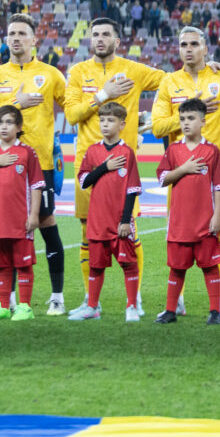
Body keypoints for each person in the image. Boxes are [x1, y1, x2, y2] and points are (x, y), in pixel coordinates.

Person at [65, 18, 168, 315]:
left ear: (117, 40)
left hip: (123, 166)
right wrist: (102, 95)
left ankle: (134, 300)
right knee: (88, 234)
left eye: (106, 34)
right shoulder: (78, 72)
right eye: (95, 34)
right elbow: (72, 114)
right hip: (89, 165)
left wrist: (209, 67)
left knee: (128, 230)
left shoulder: (134, 70)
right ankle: (90, 301)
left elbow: (171, 81)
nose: (99, 38)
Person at [0, 13, 67, 315]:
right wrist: (15, 103)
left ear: (33, 39)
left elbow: (74, 107)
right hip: (5, 165)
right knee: (10, 231)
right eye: (11, 33)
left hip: (40, 164)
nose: (15, 38)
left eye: (21, 33)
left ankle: (57, 296)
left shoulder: (51, 73)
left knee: (45, 224)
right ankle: (9, 301)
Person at [151, 26, 220, 317]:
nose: (188, 49)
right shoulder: (169, 82)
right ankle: (178, 302)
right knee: (179, 236)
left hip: (215, 174)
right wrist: (188, 118)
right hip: (180, 173)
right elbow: (157, 127)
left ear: (205, 47)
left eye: (194, 44)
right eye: (183, 44)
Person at [154, 99, 220, 326]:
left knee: (210, 266)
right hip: (179, 222)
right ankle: (170, 310)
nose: (186, 123)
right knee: (177, 268)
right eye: (183, 119)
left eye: (191, 118)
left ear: (203, 121)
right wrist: (184, 169)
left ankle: (215, 311)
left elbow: (219, 185)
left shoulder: (211, 151)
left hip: (204, 221)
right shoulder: (174, 150)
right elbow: (162, 178)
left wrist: (217, 215)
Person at [69, 102, 142, 322]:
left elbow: (132, 189)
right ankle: (92, 307)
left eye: (110, 120)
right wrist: (104, 167)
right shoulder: (93, 151)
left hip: (119, 221)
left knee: (128, 264)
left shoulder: (127, 152)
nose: (105, 124)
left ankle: (131, 306)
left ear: (122, 124)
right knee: (96, 266)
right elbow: (84, 180)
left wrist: (125, 220)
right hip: (98, 221)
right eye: (102, 120)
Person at [0, 106, 43, 323]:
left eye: (10, 122)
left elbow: (37, 185)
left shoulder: (27, 152)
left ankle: (25, 306)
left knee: (23, 264)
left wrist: (34, 215)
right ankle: (3, 306)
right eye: (0, 122)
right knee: (2, 264)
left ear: (19, 127)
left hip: (21, 219)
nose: (4, 126)